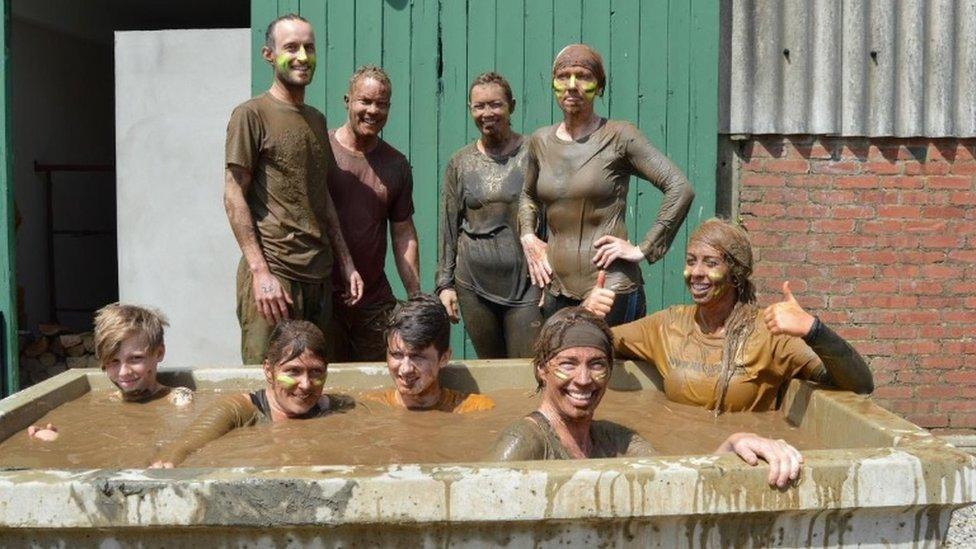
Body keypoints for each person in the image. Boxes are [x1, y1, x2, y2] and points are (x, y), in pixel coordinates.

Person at [486, 308, 804, 488]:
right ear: (542, 369)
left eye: (596, 365)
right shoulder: (524, 441)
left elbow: (678, 481)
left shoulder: (615, 440)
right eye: (568, 364)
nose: (583, 380)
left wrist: (734, 443)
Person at [583, 218, 874, 413]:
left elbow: (860, 384)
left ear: (735, 274)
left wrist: (814, 330)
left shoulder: (769, 334)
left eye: (710, 263)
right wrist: (586, 315)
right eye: (691, 261)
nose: (696, 273)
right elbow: (596, 342)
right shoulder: (668, 325)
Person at [518, 44, 695, 327]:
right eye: (563, 76)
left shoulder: (619, 135)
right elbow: (527, 195)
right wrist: (528, 236)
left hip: (610, 284)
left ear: (599, 86)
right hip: (556, 286)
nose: (572, 86)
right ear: (553, 83)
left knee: (604, 366)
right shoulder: (540, 141)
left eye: (583, 76)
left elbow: (679, 187)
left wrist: (642, 249)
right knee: (560, 363)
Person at [223, 13, 362, 364]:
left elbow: (322, 196)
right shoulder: (251, 114)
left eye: (309, 47)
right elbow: (233, 193)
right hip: (276, 275)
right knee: (268, 376)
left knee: (312, 379)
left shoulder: (316, 119)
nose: (302, 56)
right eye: (291, 47)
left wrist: (345, 263)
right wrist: (260, 272)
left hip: (319, 273)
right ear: (269, 55)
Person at [436, 72, 542, 358]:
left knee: (525, 371)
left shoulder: (534, 152)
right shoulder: (460, 163)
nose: (487, 113)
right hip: (474, 285)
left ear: (512, 106)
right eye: (479, 106)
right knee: (491, 369)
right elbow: (447, 225)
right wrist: (444, 284)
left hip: (526, 285)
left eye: (495, 105)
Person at [150, 320, 351, 467]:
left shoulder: (334, 407)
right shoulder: (238, 410)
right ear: (268, 370)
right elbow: (186, 445)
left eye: (316, 372)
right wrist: (167, 464)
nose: (306, 385)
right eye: (293, 371)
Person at [328, 65, 420, 362]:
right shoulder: (322, 151)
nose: (372, 110)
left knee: (379, 387)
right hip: (323, 299)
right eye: (364, 101)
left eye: (381, 103)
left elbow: (403, 232)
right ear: (347, 101)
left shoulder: (396, 164)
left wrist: (415, 294)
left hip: (372, 302)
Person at [27, 303, 193, 442]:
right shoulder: (104, 402)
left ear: (159, 353)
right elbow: (94, 441)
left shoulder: (178, 398)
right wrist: (60, 438)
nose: (123, 372)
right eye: (113, 361)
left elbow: (186, 437)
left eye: (135, 358)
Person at [364, 294, 495, 413]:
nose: (405, 369)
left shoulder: (477, 409)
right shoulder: (370, 406)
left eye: (417, 356)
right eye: (396, 355)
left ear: (444, 358)